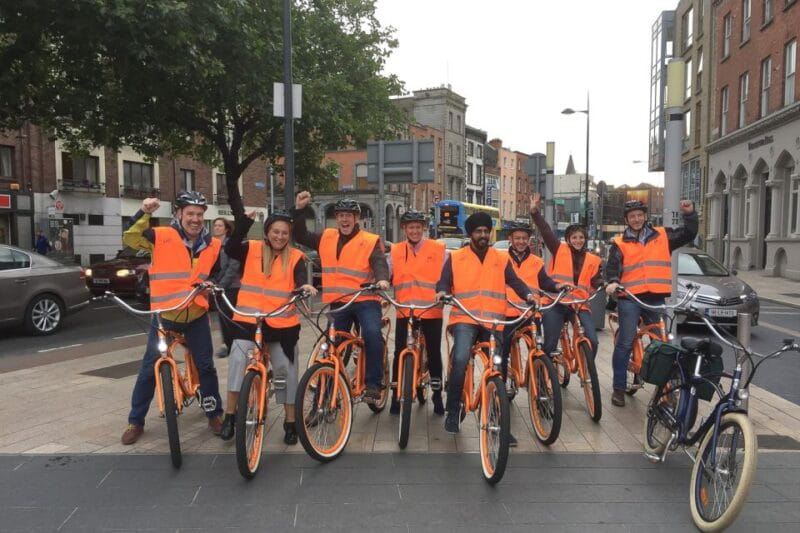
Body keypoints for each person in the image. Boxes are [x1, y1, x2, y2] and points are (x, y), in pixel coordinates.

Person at [120, 192, 224, 445]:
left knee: (206, 366)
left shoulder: (212, 244)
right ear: (179, 214)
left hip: (196, 314)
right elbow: (130, 238)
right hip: (166, 316)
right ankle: (135, 421)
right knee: (149, 368)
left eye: (199, 214)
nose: (195, 219)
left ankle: (214, 414)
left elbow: (217, 272)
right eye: (190, 214)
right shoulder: (161, 236)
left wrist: (212, 283)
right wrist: (145, 212)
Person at [434, 212, 540, 434]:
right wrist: (442, 292)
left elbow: (515, 281)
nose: (483, 235)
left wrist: (529, 295)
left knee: (497, 366)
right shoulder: (456, 258)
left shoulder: (500, 258)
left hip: (493, 322)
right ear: (470, 234)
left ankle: (498, 421)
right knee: (461, 358)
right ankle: (453, 410)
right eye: (478, 232)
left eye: (486, 231)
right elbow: (443, 281)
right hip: (465, 319)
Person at [219, 210, 317, 444]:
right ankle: (230, 416)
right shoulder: (251, 248)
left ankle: (290, 421)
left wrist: (304, 287)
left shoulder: (295, 257)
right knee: (238, 360)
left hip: (282, 324)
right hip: (248, 320)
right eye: (275, 231)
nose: (280, 236)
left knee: (285, 370)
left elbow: (301, 278)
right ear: (267, 232)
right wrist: (244, 223)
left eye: (284, 233)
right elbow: (230, 247)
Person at [290, 191, 390, 401]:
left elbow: (379, 262)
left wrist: (382, 279)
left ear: (357, 218)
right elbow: (300, 236)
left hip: (365, 300)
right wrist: (299, 210)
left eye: (349, 215)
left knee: (372, 334)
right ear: (337, 218)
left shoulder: (369, 240)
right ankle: (325, 396)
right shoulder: (326, 237)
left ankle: (373, 384)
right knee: (331, 345)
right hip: (338, 303)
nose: (345, 219)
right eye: (341, 215)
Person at [604, 199, 698, 407]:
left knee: (662, 343)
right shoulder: (620, 243)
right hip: (630, 297)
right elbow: (612, 268)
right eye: (632, 216)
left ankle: (666, 390)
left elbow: (688, 234)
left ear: (645, 216)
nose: (636, 219)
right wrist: (612, 282)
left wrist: (689, 214)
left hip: (655, 296)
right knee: (625, 342)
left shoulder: (662, 235)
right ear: (626, 220)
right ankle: (619, 388)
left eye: (639, 215)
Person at [499, 220, 565, 445]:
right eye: (517, 238)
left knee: (539, 353)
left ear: (529, 241)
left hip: (530, 314)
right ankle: (500, 394)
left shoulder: (536, 261)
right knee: (501, 355)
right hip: (507, 313)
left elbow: (545, 282)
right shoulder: (501, 259)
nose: (520, 241)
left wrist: (556, 286)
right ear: (510, 239)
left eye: (524, 238)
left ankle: (542, 397)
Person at [530, 192, 603, 364]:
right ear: (568, 239)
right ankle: (545, 372)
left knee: (592, 340)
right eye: (574, 237)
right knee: (550, 343)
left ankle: (587, 368)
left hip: (579, 305)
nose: (578, 240)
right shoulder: (559, 249)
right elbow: (546, 231)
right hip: (556, 302)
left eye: (581, 237)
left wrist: (603, 284)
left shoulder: (593, 259)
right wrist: (535, 212)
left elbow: (596, 280)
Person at [387, 210, 447, 416]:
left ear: (424, 229)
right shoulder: (395, 251)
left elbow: (447, 276)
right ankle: (396, 396)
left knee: (433, 351)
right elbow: (386, 273)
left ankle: (437, 395)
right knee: (399, 351)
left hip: (431, 309)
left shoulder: (438, 249)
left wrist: (445, 291)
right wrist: (381, 282)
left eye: (418, 227)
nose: (414, 231)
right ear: (404, 229)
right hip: (405, 310)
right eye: (410, 227)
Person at [211, 217, 240, 358]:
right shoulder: (213, 245)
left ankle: (232, 345)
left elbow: (232, 267)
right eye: (215, 225)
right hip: (219, 286)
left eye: (220, 225)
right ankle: (228, 344)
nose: (216, 228)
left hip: (232, 286)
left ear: (226, 229)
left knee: (228, 316)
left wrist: (221, 285)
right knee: (222, 316)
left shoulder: (230, 245)